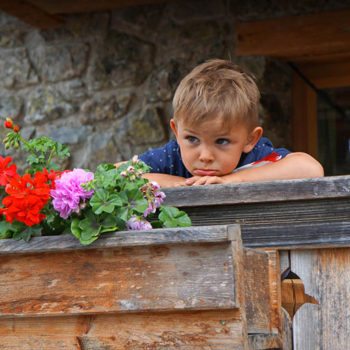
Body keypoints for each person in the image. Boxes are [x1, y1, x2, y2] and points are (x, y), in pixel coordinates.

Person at [137, 59, 324, 188]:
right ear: (176, 132)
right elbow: (115, 173)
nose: (205, 156)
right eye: (192, 139)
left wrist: (235, 179)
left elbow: (311, 169)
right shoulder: (172, 156)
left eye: (222, 141)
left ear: (250, 139)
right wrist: (175, 182)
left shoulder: (256, 158)